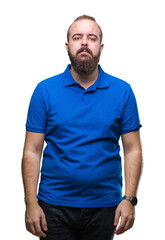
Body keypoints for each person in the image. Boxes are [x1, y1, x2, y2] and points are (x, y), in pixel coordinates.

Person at [22, 15, 142, 240]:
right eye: (77, 37)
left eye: (92, 38)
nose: (84, 43)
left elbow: (133, 149)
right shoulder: (44, 91)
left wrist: (129, 199)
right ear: (68, 46)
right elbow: (32, 150)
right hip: (53, 207)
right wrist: (30, 203)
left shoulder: (122, 91)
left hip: (106, 207)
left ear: (101, 47)